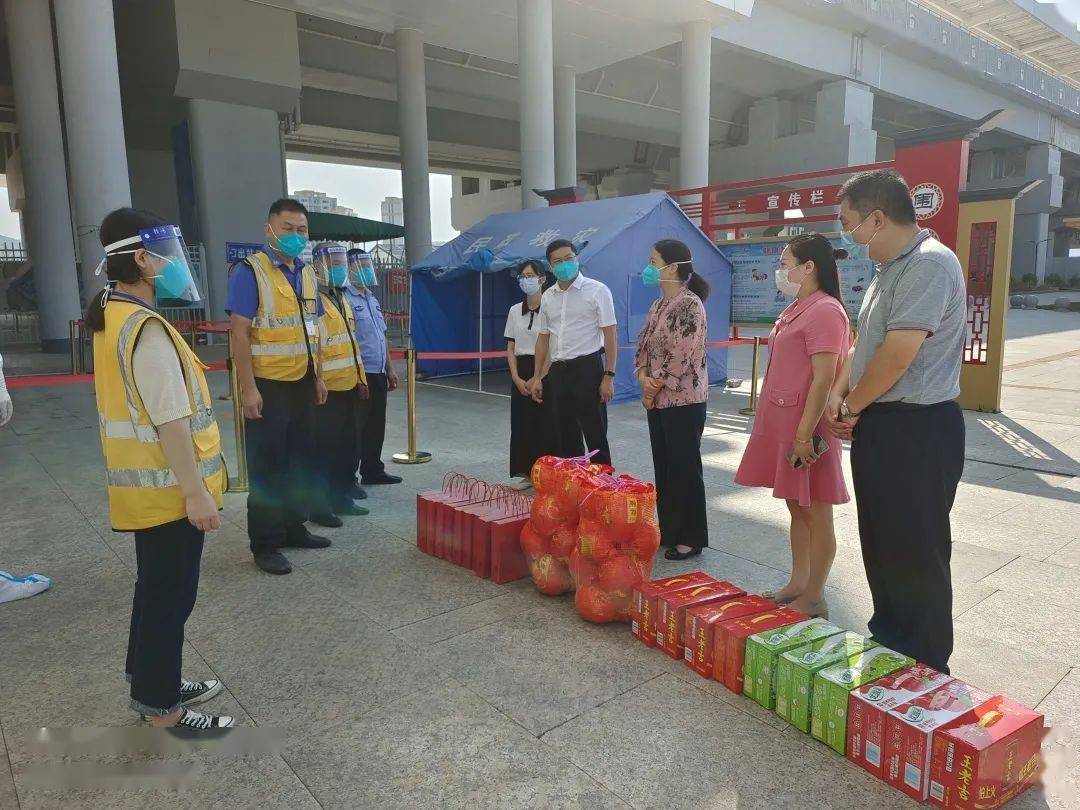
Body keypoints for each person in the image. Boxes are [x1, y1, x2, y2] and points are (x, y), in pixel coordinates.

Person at [86, 207, 232, 730]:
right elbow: (170, 420)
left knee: (155, 590)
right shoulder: (145, 328)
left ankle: (151, 680)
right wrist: (196, 494)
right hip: (169, 490)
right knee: (172, 596)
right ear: (143, 260)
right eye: (166, 253)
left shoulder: (114, 315)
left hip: (146, 490)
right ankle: (162, 711)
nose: (174, 263)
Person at [827, 169, 966, 673]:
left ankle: (926, 660)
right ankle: (891, 636)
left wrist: (854, 405)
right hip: (882, 422)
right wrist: (841, 394)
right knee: (882, 538)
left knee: (916, 544)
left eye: (849, 223)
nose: (847, 233)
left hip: (919, 427)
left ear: (877, 219)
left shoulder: (929, 265)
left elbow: (898, 354)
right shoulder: (889, 270)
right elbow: (866, 347)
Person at [734, 233, 852, 618]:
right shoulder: (796, 308)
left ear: (809, 268)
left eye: (785, 264)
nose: (780, 272)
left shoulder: (825, 311)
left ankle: (815, 595)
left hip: (807, 429)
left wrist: (804, 434)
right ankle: (798, 582)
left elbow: (823, 379)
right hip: (783, 423)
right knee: (795, 507)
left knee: (816, 512)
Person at [227, 198, 331, 576]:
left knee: (300, 459)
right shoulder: (249, 272)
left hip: (303, 382)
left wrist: (318, 375)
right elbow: (239, 333)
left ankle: (293, 527)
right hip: (268, 385)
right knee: (268, 466)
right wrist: (248, 388)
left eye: (302, 229)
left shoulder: (306, 274)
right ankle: (266, 543)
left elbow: (312, 329)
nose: (296, 236)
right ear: (269, 230)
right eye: (288, 228)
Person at [635, 239, 711, 561]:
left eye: (654, 262)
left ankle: (690, 537)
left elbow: (683, 352)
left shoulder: (690, 304)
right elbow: (643, 345)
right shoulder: (657, 305)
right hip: (658, 399)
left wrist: (654, 385)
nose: (650, 269)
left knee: (684, 467)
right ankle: (669, 529)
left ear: (673, 268)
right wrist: (642, 376)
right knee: (664, 467)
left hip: (684, 400)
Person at [529, 239, 617, 465]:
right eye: (557, 261)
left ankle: (603, 490)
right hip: (559, 371)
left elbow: (610, 335)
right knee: (566, 434)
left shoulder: (597, 290)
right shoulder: (548, 296)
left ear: (577, 258)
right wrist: (538, 377)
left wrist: (608, 376)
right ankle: (574, 489)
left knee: (595, 432)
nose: (564, 264)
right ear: (550, 267)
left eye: (569, 258)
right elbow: (543, 338)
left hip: (587, 368)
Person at [309, 243, 370, 526]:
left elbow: (351, 343)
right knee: (325, 451)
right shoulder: (313, 298)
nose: (339, 266)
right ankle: (321, 506)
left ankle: (342, 496)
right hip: (327, 389)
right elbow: (314, 345)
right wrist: (318, 379)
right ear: (318, 265)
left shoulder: (342, 298)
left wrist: (361, 379)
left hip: (348, 385)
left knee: (347, 445)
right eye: (332, 261)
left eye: (341, 261)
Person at [343, 249, 402, 488]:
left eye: (367, 265)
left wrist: (390, 368)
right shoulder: (346, 298)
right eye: (360, 266)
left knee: (376, 424)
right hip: (360, 373)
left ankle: (372, 469)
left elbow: (381, 336)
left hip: (378, 371)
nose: (366, 270)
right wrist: (356, 374)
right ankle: (349, 477)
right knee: (356, 427)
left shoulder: (372, 299)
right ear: (349, 269)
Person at [504, 260, 559, 488]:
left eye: (530, 275)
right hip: (521, 371)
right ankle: (527, 474)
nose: (526, 280)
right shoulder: (515, 311)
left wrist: (539, 378)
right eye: (522, 276)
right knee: (522, 424)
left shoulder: (551, 308)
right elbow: (510, 348)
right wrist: (516, 378)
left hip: (545, 371)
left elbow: (551, 347)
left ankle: (548, 478)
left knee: (546, 425)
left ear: (542, 279)